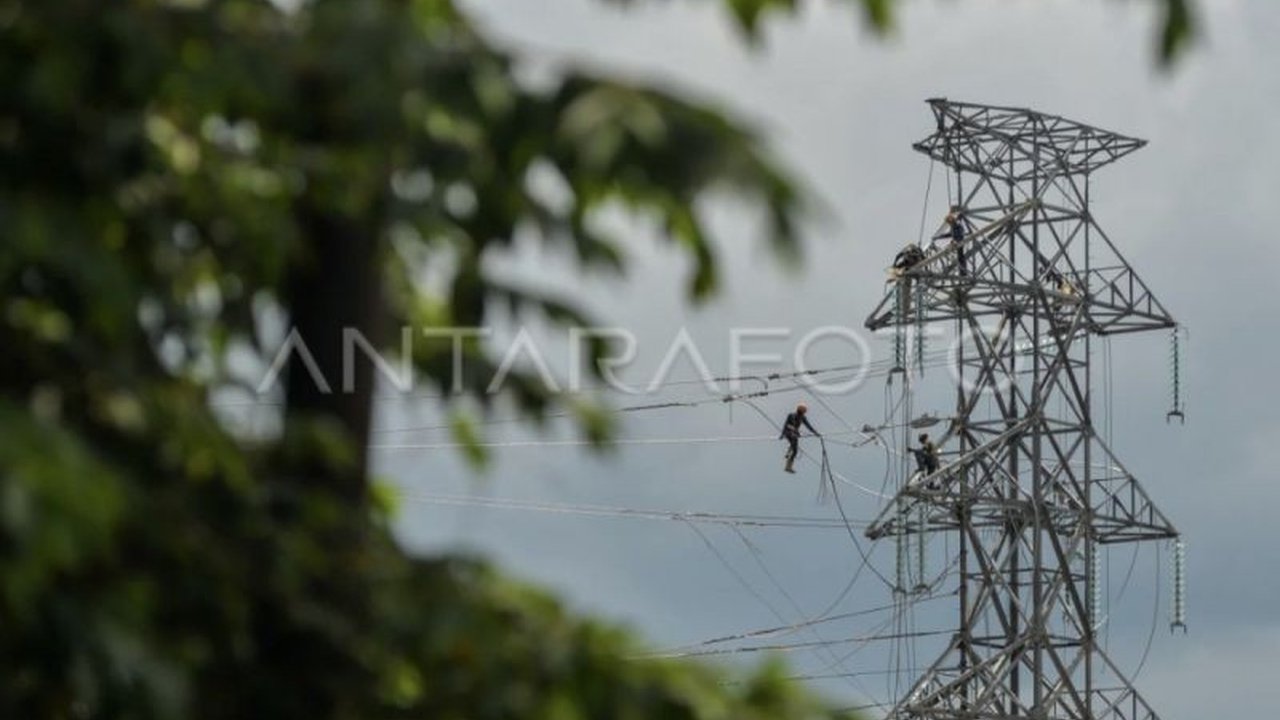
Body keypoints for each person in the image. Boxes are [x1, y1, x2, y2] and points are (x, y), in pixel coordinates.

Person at [779, 403, 819, 474]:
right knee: (794, 443)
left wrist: (815, 433)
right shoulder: (791, 415)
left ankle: (788, 464)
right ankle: (788, 457)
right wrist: (782, 434)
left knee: (795, 451)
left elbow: (809, 426)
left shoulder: (803, 418)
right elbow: (785, 425)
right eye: (802, 412)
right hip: (789, 432)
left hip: (794, 433)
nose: (802, 414)